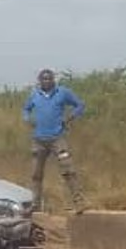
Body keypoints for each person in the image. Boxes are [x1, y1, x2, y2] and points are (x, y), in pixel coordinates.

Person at [22, 69, 87, 213]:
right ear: (39, 81)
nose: (46, 81)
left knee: (68, 169)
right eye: (43, 79)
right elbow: (25, 109)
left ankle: (79, 202)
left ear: (53, 80)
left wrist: (69, 118)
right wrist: (27, 119)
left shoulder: (62, 92)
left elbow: (80, 105)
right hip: (39, 140)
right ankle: (35, 205)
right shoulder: (34, 94)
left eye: (49, 79)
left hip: (57, 138)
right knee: (36, 174)